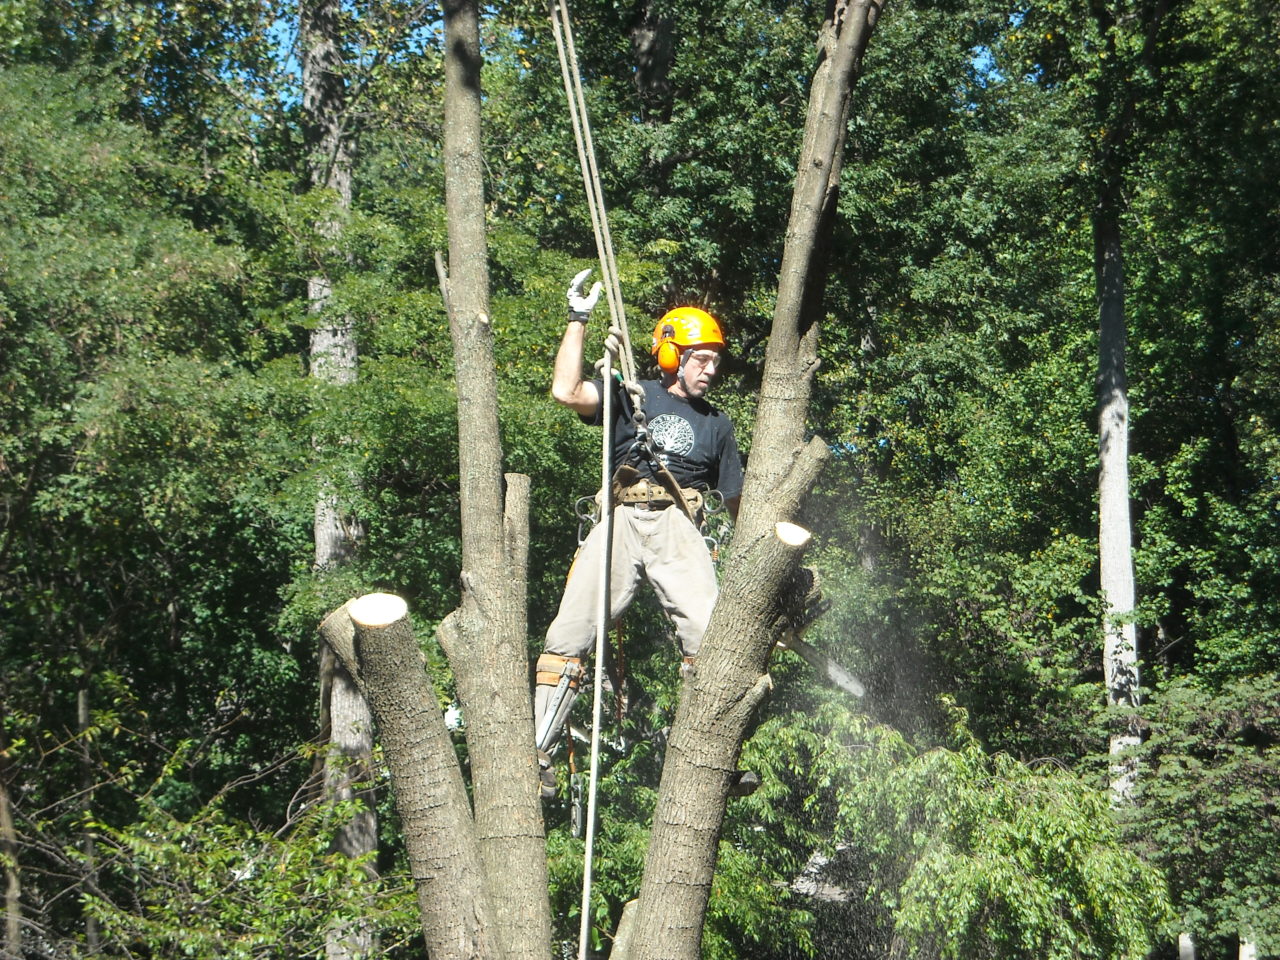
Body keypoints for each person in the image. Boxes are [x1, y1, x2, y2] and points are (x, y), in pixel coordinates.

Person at [533, 269, 745, 798]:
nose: (710, 369)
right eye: (701, 358)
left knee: (711, 639)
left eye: (715, 360)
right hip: (624, 517)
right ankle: (537, 750)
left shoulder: (717, 425)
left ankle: (716, 756)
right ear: (672, 355)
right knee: (567, 636)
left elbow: (740, 502)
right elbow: (565, 390)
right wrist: (578, 320)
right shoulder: (633, 393)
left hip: (678, 526)